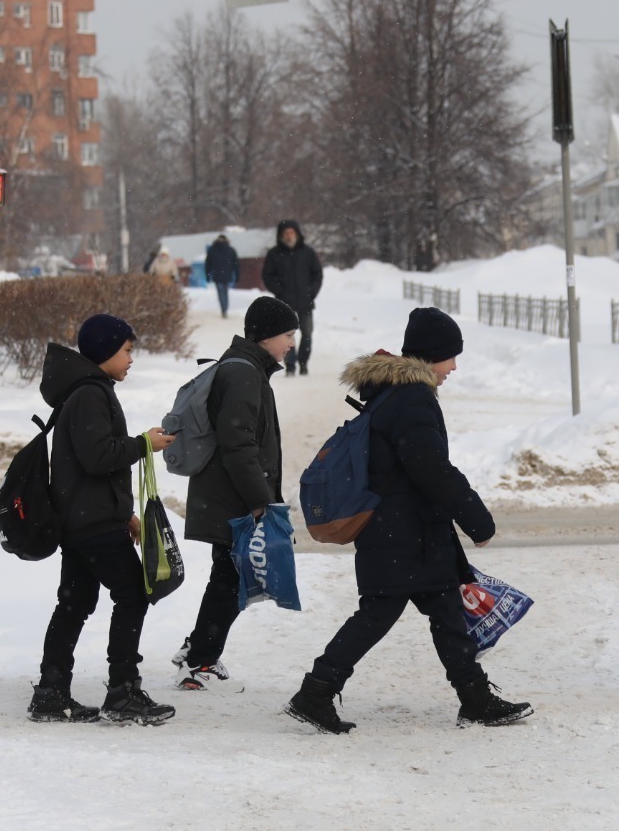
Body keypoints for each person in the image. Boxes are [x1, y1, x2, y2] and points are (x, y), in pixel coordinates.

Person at [285, 308, 532, 733]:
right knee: (378, 614)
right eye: (450, 357)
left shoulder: (395, 392)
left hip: (408, 530)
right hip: (402, 532)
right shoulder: (412, 399)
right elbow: (431, 469)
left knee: (448, 613)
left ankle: (474, 697)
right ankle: (317, 690)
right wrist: (477, 520)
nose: (454, 367)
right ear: (432, 354)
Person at [28, 314, 180, 726]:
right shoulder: (90, 394)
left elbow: (87, 464)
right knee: (132, 594)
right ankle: (123, 692)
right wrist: (144, 444)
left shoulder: (82, 392)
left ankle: (50, 693)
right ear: (105, 351)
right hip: (92, 523)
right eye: (127, 351)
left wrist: (125, 513)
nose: (131, 359)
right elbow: (99, 457)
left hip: (82, 519)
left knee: (74, 604)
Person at [170, 296, 299, 690]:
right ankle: (200, 663)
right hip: (232, 500)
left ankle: (197, 650)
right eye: (288, 334)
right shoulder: (243, 374)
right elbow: (238, 445)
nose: (292, 343)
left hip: (226, 496)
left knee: (228, 576)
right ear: (265, 336)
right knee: (231, 578)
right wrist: (260, 503)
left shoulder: (247, 369)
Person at [261, 220, 322, 376]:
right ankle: (290, 365)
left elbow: (317, 274)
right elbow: (267, 275)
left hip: (305, 301)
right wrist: (278, 291)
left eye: (291, 232)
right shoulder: (274, 254)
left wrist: (311, 292)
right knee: (286, 335)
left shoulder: (308, 252)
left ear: (297, 234)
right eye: (286, 233)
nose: (289, 236)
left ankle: (303, 363)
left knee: (307, 333)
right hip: (284, 302)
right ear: (281, 235)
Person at [204, 233, 240, 318]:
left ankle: (223, 309)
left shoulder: (212, 250)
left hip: (217, 275)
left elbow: (208, 264)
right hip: (227, 275)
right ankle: (225, 309)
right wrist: (237, 275)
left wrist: (208, 275)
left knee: (220, 293)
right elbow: (236, 264)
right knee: (225, 292)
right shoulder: (231, 250)